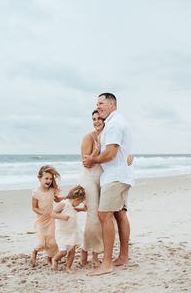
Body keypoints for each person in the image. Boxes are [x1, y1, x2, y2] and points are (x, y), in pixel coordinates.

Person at [83, 93, 134, 276]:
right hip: (120, 176)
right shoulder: (115, 122)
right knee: (120, 215)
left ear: (112, 104)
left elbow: (111, 153)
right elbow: (121, 150)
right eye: (96, 104)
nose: (98, 106)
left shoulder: (114, 124)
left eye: (101, 103)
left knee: (104, 215)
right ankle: (123, 257)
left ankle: (107, 263)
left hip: (115, 177)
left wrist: (93, 160)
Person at [79, 110, 104, 266]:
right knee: (93, 218)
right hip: (89, 179)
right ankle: (86, 253)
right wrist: (98, 146)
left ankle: (92, 252)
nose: (96, 121)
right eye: (93, 119)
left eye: (99, 118)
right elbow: (86, 161)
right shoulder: (88, 137)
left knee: (102, 217)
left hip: (103, 178)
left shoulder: (110, 136)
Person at [31, 165, 62, 267]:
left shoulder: (52, 190)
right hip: (41, 220)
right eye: (46, 178)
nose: (48, 181)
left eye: (50, 179)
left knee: (52, 241)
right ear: (39, 178)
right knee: (42, 242)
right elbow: (34, 207)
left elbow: (57, 200)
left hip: (51, 220)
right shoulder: (36, 192)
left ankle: (49, 258)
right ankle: (35, 251)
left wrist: (67, 198)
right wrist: (42, 212)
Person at [51, 185, 86, 274]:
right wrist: (62, 216)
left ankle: (68, 267)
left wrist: (82, 209)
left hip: (72, 232)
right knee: (63, 252)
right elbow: (52, 214)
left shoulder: (72, 205)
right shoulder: (64, 204)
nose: (78, 204)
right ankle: (55, 259)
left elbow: (76, 210)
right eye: (79, 203)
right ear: (76, 199)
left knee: (72, 251)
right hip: (62, 233)